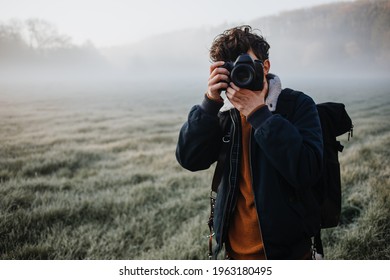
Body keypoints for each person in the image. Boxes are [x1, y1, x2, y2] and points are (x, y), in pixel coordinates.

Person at [176, 25, 323, 260]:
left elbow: (307, 170)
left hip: (290, 254)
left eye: (248, 63)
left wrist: (259, 114)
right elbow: (189, 159)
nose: (240, 72)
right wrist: (209, 103)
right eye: (232, 67)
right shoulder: (224, 114)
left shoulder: (296, 105)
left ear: (265, 66)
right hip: (233, 252)